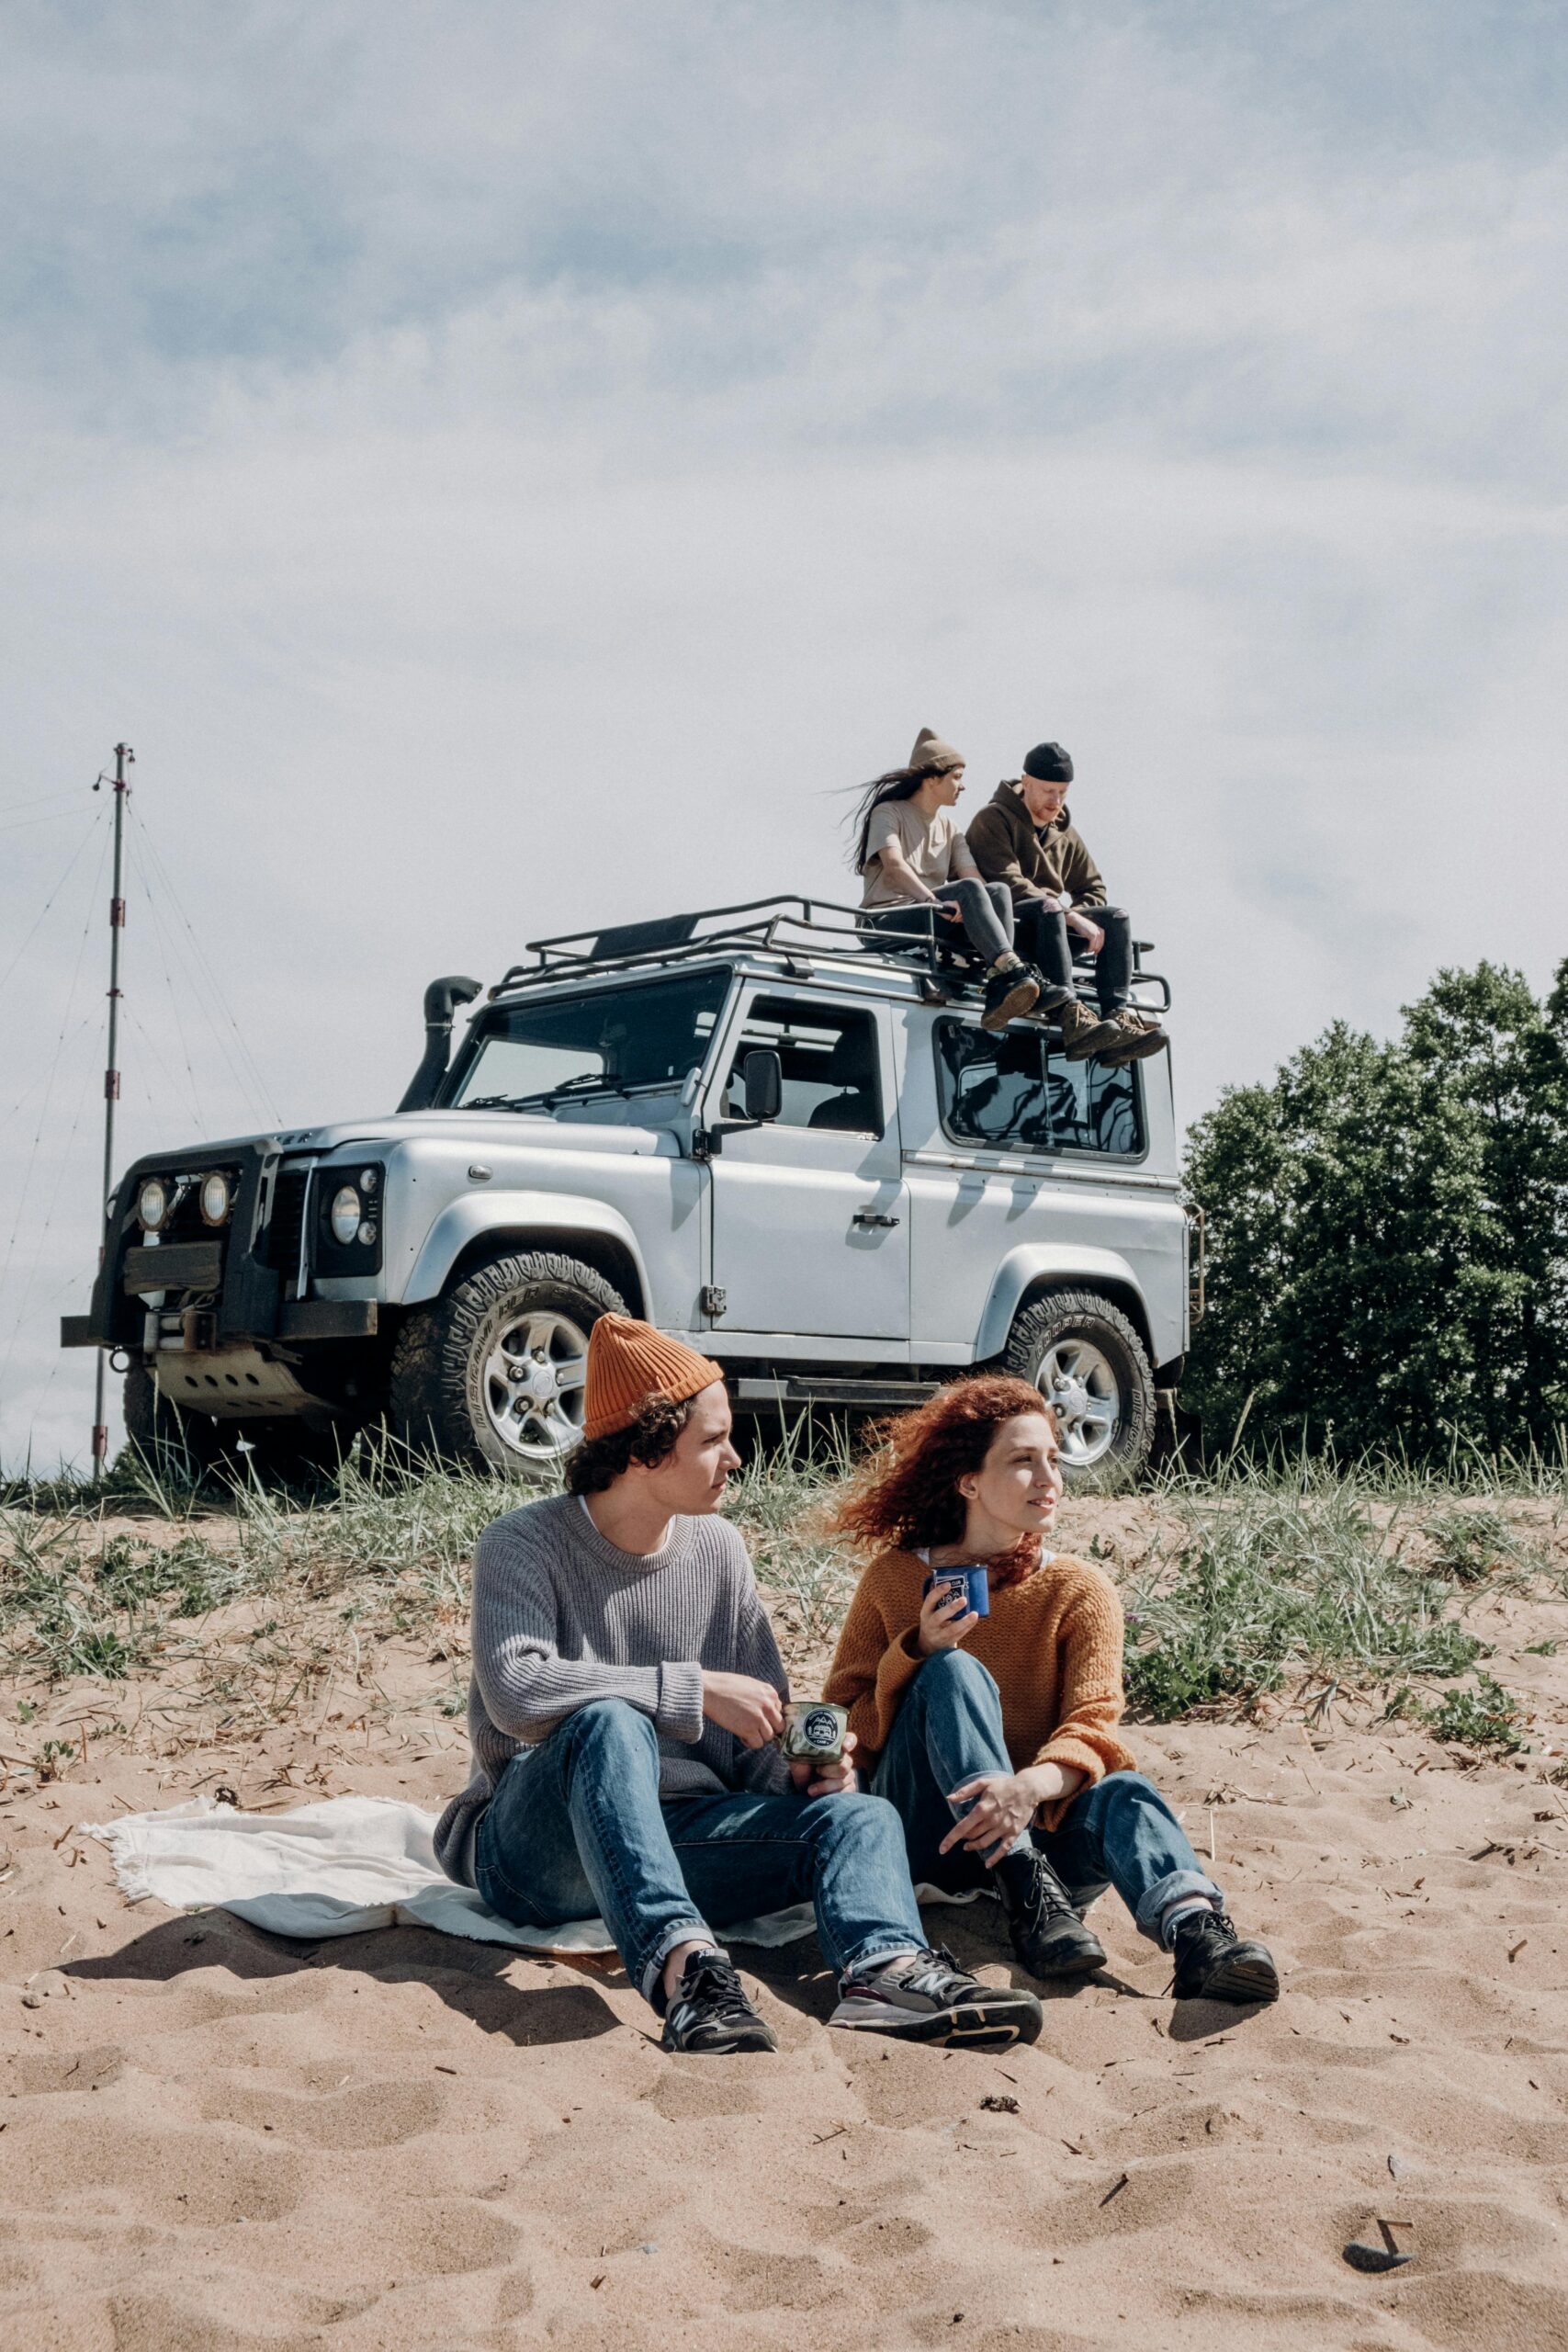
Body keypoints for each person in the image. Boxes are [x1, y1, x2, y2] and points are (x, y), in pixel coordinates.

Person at [435, 1315, 1044, 2055]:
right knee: (609, 1722)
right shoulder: (523, 1542)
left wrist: (806, 1768)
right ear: (644, 1449)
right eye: (712, 1441)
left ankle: (885, 1973)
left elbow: (757, 1722)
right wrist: (689, 1690)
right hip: (536, 1854)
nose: (736, 1457)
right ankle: (688, 1977)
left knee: (860, 1819)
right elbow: (518, 1694)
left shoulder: (718, 1548)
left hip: (685, 1836)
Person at [822, 1376, 1280, 2007]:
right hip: (930, 1836)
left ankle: (1197, 1932)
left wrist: (1025, 1790)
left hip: (1047, 1855)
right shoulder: (895, 1579)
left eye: (1053, 1460)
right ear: (968, 1481)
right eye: (1022, 1461)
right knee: (950, 1673)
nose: (1048, 1478)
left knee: (1123, 1788)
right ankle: (1018, 1874)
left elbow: (1093, 1726)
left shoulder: (1078, 1589)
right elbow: (844, 1725)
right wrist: (919, 1651)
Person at [964, 741, 1167, 1066]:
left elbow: (1094, 887)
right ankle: (1071, 1013)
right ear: (1026, 781)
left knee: (1116, 917)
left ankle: (1118, 1017)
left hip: (1055, 928)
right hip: (1011, 929)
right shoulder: (993, 819)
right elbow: (1008, 883)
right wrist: (1071, 916)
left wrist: (1081, 917)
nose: (1055, 801)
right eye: (1047, 791)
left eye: (1063, 793)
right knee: (1050, 907)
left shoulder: (1064, 831)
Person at [852, 728, 1055, 1034]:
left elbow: (974, 880)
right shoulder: (889, 812)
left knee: (996, 890)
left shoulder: (950, 827)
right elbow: (894, 866)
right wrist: (936, 903)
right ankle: (1010, 970)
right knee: (973, 890)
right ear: (932, 778)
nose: (963, 786)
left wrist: (966, 901)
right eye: (957, 777)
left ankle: (1000, 981)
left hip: (932, 918)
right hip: (886, 920)